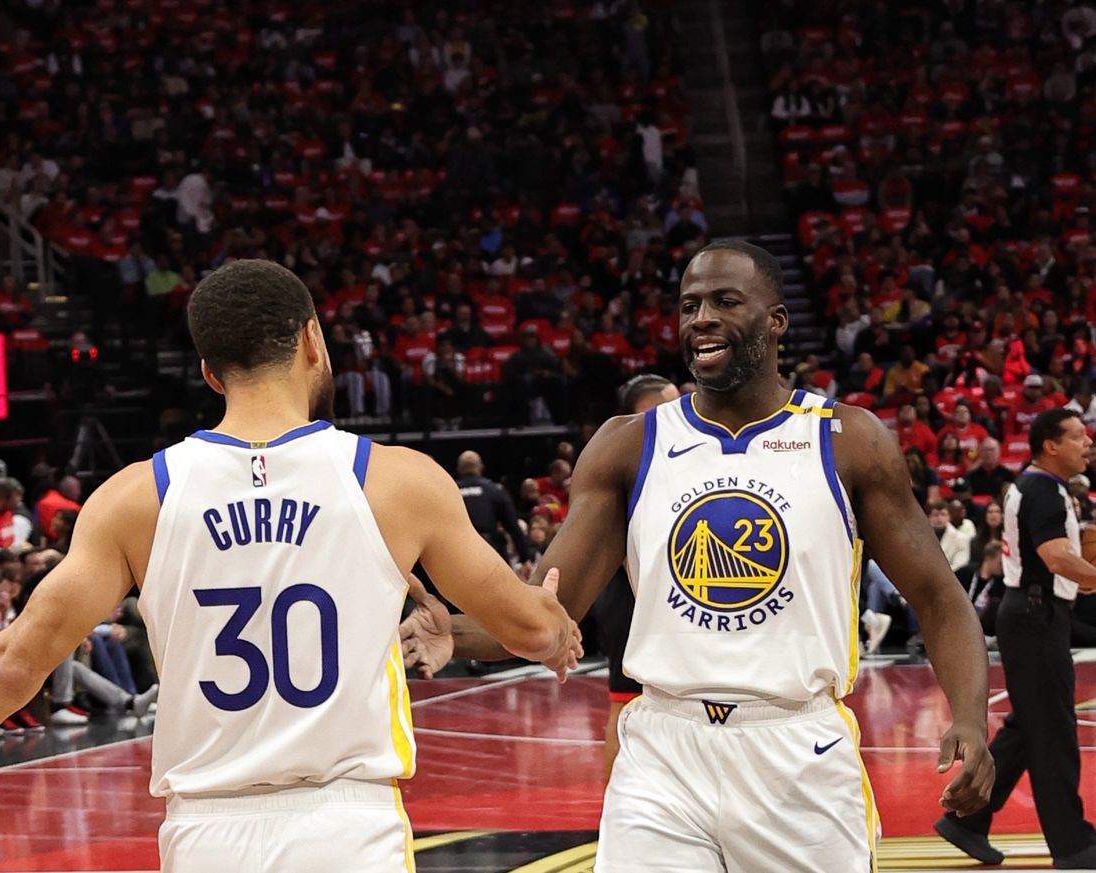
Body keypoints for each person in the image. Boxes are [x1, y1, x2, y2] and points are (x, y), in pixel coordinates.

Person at [0, 259, 581, 873]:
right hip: (348, 827)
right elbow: (524, 628)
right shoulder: (396, 480)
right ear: (314, 340)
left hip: (206, 834)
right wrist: (550, 619)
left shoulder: (131, 499)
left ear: (209, 372)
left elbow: (9, 665)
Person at [403, 240, 993, 872]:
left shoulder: (849, 440)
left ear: (776, 320)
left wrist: (970, 719)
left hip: (797, 749)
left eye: (724, 301)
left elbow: (938, 597)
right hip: (663, 750)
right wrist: (452, 637)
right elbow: (546, 613)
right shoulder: (628, 446)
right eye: (689, 305)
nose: (701, 318)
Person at [934, 409, 1096, 868]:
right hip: (1035, 615)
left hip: (1031, 615)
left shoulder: (1038, 486)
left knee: (1029, 729)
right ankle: (1075, 846)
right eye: (1078, 437)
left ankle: (966, 821)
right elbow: (1057, 558)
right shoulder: (1044, 489)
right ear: (1050, 444)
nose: (1087, 444)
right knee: (1055, 735)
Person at [591, 374, 679, 778]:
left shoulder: (679, 456)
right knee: (624, 706)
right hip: (629, 595)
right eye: (670, 404)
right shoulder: (623, 462)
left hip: (658, 593)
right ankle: (613, 811)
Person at [454, 450, 533, 570]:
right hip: (489, 553)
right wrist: (525, 558)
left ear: (459, 469)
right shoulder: (494, 490)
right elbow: (513, 526)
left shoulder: (449, 491)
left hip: (458, 555)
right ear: (481, 467)